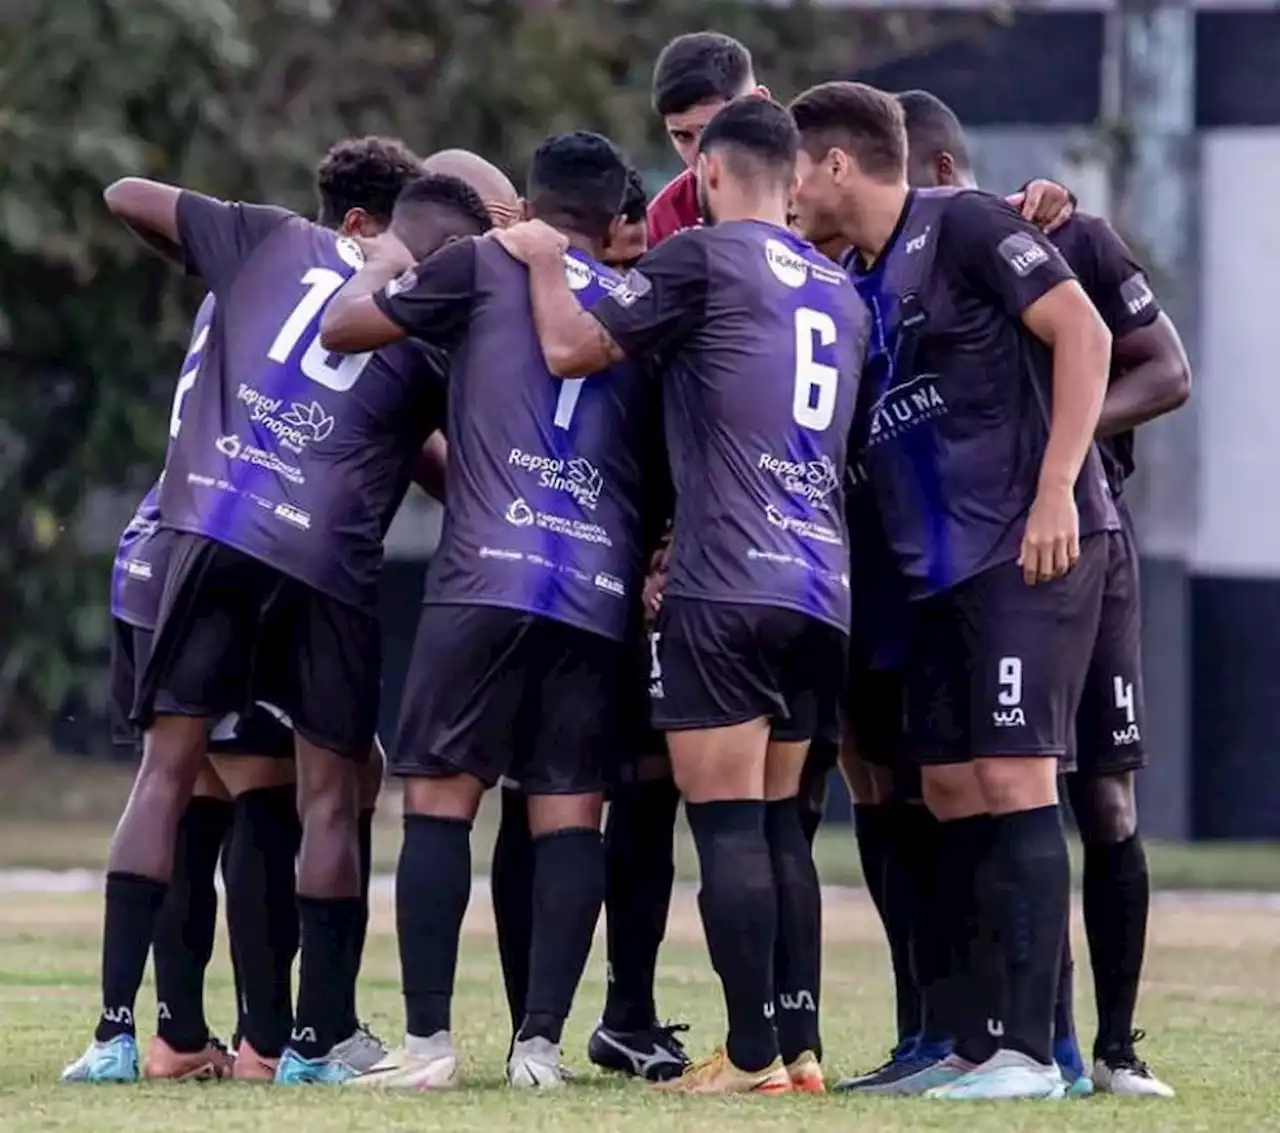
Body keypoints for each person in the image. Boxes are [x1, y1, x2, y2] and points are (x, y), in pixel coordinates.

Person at [63, 156, 487, 1085]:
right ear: (445, 248)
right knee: (331, 790)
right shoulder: (429, 324)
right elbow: (455, 471)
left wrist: (214, 246)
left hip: (208, 524)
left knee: (167, 773)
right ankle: (312, 1043)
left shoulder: (267, 241)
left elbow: (124, 193)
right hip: (324, 559)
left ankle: (113, 1036)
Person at [494, 97, 867, 1096]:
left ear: (704, 173)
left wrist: (538, 258)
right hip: (821, 583)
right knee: (781, 823)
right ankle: (795, 1050)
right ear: (794, 180)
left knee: (728, 824)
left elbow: (574, 348)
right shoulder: (840, 289)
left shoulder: (697, 257)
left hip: (725, 579)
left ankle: (746, 1056)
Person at [790, 80, 1117, 1101]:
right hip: (928, 575)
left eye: (795, 167)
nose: (788, 189)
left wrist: (1056, 486)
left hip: (1021, 551)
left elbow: (1085, 335)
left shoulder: (966, 223)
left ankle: (1030, 1051)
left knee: (1015, 778)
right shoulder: (854, 277)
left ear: (836, 163)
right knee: (944, 787)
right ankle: (971, 1041)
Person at [321, 130, 657, 1091]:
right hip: (595, 588)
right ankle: (539, 1049)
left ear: (529, 208)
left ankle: (428, 1045)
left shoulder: (478, 263)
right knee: (567, 816)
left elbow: (344, 330)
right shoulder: (645, 301)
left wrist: (389, 253)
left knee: (438, 798)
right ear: (612, 219)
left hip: (486, 574)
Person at [896, 88, 1188, 1099]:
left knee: (1100, 793)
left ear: (936, 175)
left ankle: (1112, 1045)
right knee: (979, 777)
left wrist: (1053, 457)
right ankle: (1027, 1037)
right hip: (981, 547)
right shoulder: (899, 282)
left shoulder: (1064, 233)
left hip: (1082, 539)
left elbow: (1164, 368)